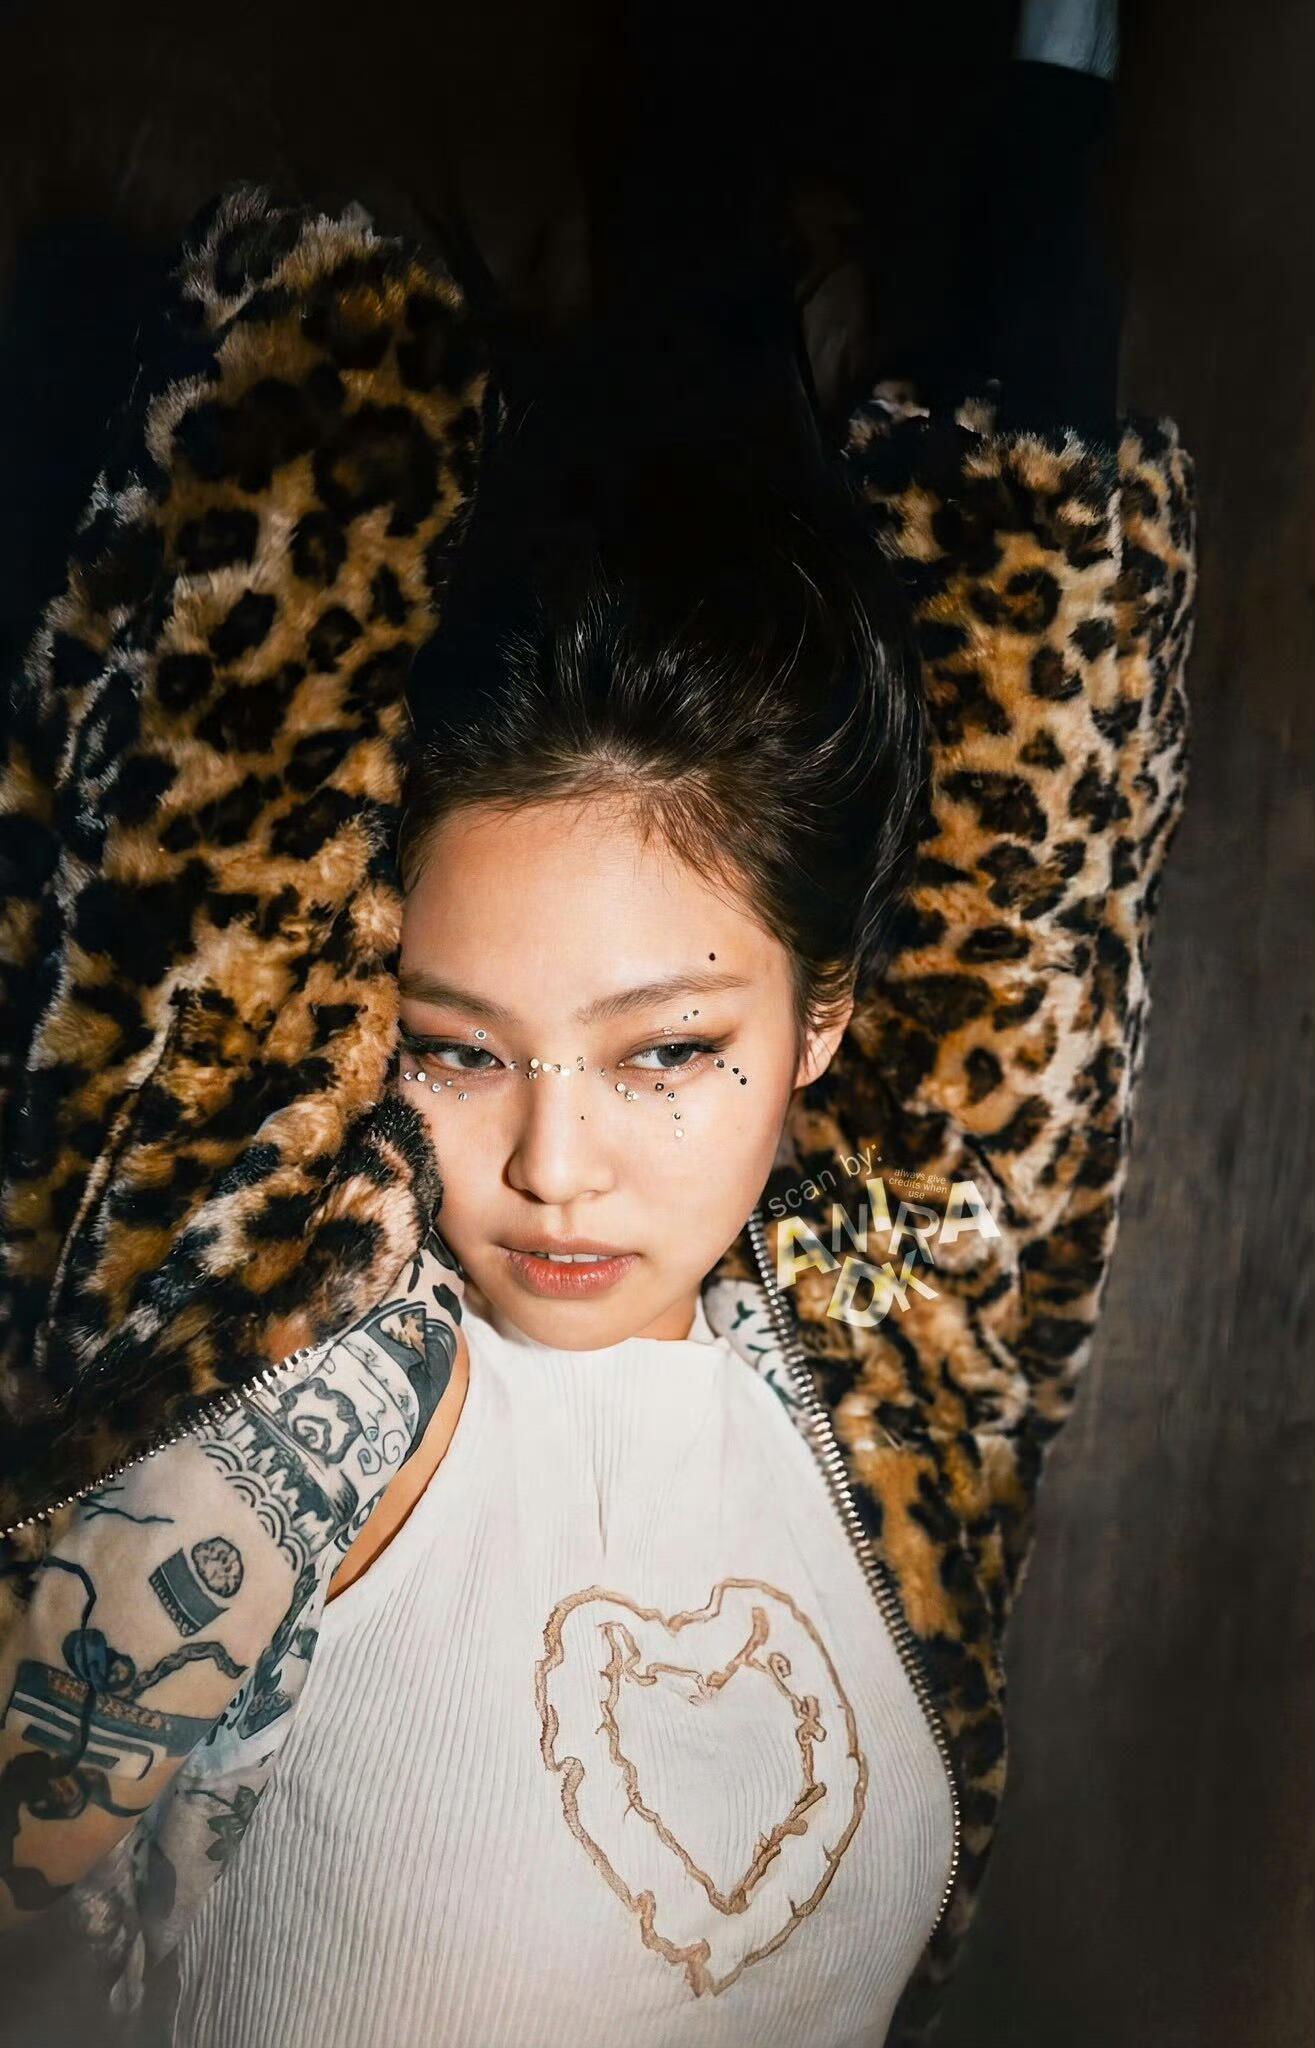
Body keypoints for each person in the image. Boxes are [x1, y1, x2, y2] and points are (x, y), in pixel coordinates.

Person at [0, 19, 1195, 2047]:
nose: (554, 1169)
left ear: (820, 1026)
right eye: (459, 1046)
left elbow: (1041, 911)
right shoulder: (304, 1422)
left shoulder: (882, 1393)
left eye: (666, 1052)